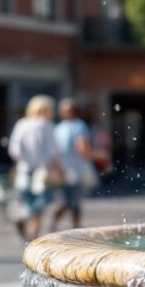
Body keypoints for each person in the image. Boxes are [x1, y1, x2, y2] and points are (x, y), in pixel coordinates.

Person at [8, 95, 61, 240]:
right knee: (42, 201)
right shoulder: (47, 126)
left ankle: (27, 222)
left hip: (24, 169)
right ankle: (33, 231)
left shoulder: (22, 124)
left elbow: (14, 149)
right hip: (43, 171)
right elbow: (53, 151)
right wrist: (59, 167)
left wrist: (24, 159)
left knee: (27, 199)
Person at [51, 98, 96, 230]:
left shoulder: (59, 127)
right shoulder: (79, 125)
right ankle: (74, 226)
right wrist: (93, 156)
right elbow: (81, 146)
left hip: (64, 167)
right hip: (74, 168)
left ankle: (64, 223)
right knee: (72, 199)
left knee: (69, 198)